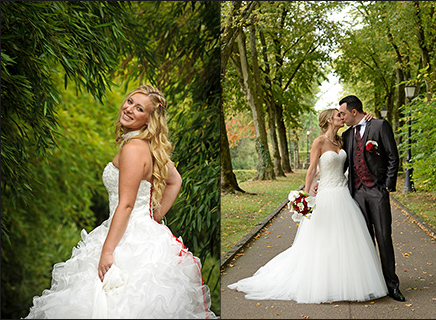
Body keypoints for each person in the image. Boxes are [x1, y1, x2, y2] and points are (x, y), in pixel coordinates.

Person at [24, 85, 217, 318]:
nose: (129, 109)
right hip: (137, 230)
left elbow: (126, 205)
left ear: (148, 120)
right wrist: (152, 218)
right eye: (129, 102)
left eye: (139, 108)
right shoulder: (146, 147)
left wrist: (107, 251)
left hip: (128, 239)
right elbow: (176, 181)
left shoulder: (134, 149)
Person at [228, 108, 388, 304]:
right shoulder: (319, 142)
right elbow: (312, 169)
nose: (342, 117)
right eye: (339, 115)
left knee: (345, 240)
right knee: (323, 240)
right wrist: (305, 193)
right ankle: (322, 282)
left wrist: (369, 117)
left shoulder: (342, 140)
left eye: (343, 114)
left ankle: (343, 281)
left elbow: (351, 156)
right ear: (330, 120)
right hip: (326, 195)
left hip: (343, 193)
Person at [338, 95, 404, 302]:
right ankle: (372, 284)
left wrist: (387, 186)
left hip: (377, 191)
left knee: (384, 238)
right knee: (365, 241)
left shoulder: (379, 125)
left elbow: (393, 157)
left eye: (344, 113)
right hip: (356, 193)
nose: (342, 117)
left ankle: (392, 285)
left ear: (354, 112)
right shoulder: (347, 135)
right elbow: (343, 165)